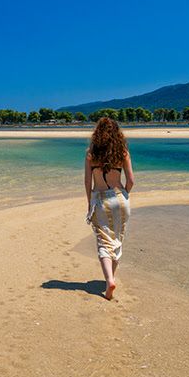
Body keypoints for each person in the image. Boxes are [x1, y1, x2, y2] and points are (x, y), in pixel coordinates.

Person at [83, 117, 134, 300]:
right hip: (120, 198)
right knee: (118, 239)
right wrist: (124, 195)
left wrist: (90, 202)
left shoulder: (91, 153)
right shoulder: (123, 152)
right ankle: (110, 279)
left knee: (104, 241)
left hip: (100, 199)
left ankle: (109, 280)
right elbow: (131, 181)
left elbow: (88, 182)